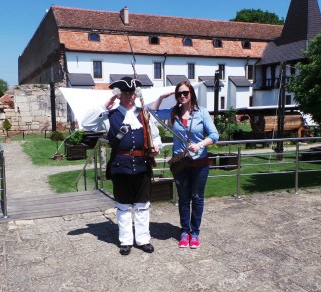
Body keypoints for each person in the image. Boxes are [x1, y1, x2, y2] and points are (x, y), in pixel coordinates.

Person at [82, 76, 162, 256]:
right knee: (124, 206)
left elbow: (155, 136)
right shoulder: (110, 115)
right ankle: (125, 241)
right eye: (125, 93)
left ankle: (142, 239)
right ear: (118, 95)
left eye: (131, 93)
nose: (129, 96)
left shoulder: (144, 114)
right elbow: (86, 123)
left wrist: (156, 146)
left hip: (142, 164)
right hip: (120, 166)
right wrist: (104, 106)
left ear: (135, 94)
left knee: (142, 205)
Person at [150, 81, 219, 249]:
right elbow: (151, 114)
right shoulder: (174, 113)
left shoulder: (201, 112)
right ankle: (184, 231)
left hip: (199, 163)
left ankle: (194, 232)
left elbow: (214, 135)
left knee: (197, 198)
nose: (182, 96)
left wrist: (200, 145)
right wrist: (160, 97)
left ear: (191, 94)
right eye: (179, 93)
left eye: (185, 93)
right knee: (183, 198)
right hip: (181, 164)